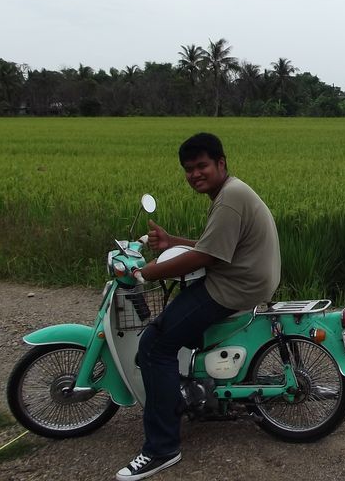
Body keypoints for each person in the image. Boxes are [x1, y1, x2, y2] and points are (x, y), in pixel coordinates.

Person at [116, 132, 281, 481]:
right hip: (243, 277)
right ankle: (185, 390)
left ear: (221, 163)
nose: (195, 174)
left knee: (154, 344)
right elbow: (215, 245)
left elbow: (205, 256)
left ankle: (161, 449)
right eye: (188, 169)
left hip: (234, 285)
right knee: (175, 322)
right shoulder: (231, 192)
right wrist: (172, 242)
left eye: (202, 165)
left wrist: (144, 272)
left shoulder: (230, 198)